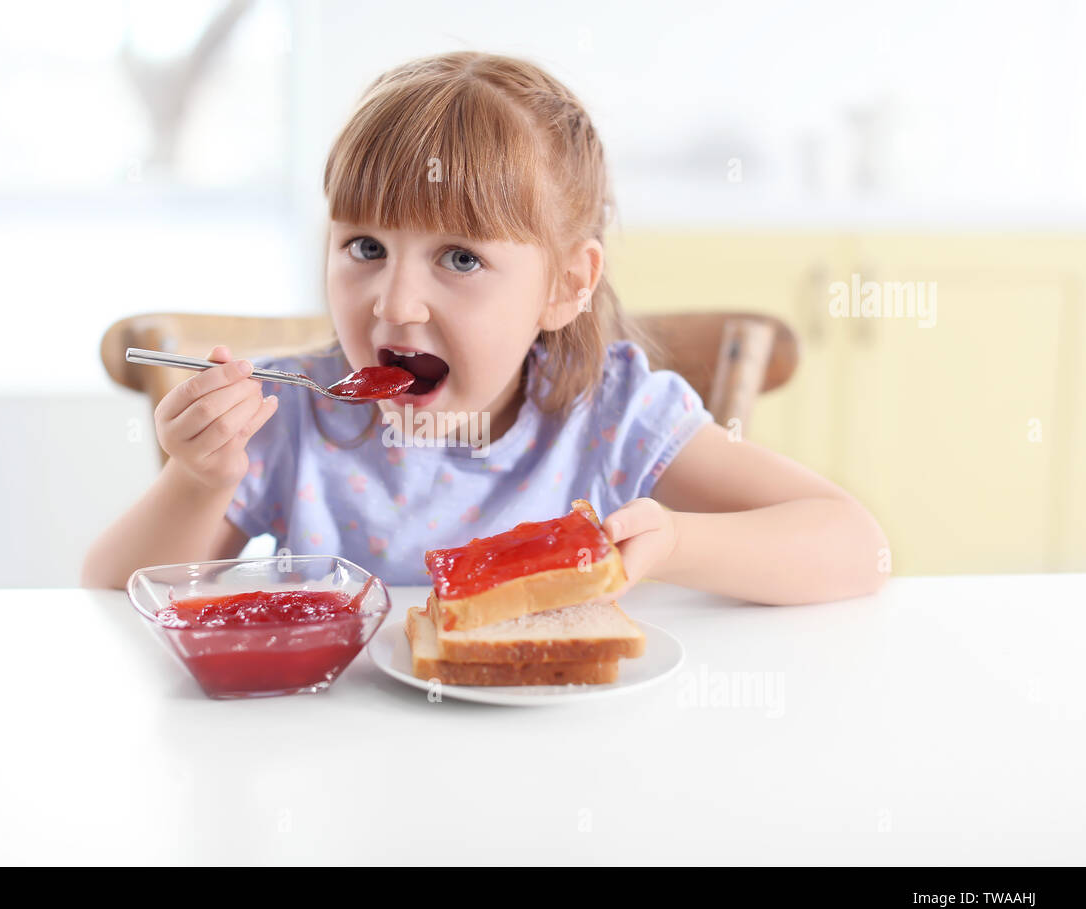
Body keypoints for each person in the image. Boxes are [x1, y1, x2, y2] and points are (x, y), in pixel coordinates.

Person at [83, 51, 889, 605]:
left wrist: (675, 545)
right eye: (365, 247)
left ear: (566, 286)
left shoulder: (612, 419)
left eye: (460, 259)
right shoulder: (291, 420)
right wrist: (199, 480)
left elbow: (854, 545)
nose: (394, 304)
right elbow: (115, 594)